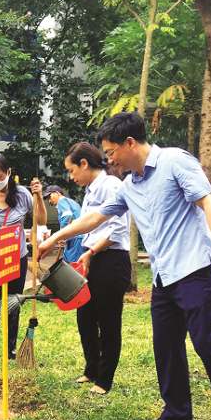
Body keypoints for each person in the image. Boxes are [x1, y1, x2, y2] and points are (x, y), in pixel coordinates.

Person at [38, 112, 211, 420]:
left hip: (196, 269)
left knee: (208, 342)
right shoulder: (129, 186)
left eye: (111, 152)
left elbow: (208, 202)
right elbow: (95, 218)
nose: (109, 160)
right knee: (166, 346)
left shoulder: (175, 162)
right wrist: (56, 237)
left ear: (130, 143)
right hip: (163, 278)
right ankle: (177, 414)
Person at [62, 143, 131, 395]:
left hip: (111, 259)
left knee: (108, 320)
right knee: (86, 317)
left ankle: (104, 379)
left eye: (72, 170)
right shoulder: (90, 190)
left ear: (84, 164)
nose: (71, 177)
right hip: (90, 258)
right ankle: (91, 369)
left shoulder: (112, 185)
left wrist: (92, 252)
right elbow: (86, 224)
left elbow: (118, 229)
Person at [0, 154, 45, 363]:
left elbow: (41, 220)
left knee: (13, 303)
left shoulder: (23, 194)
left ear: (8, 173)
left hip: (16, 256)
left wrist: (39, 196)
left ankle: (11, 349)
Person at [42, 185, 84, 264]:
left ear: (57, 193)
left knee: (73, 266)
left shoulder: (61, 201)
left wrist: (62, 236)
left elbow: (67, 216)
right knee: (69, 263)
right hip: (76, 237)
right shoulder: (71, 202)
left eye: (50, 197)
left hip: (76, 238)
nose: (49, 201)